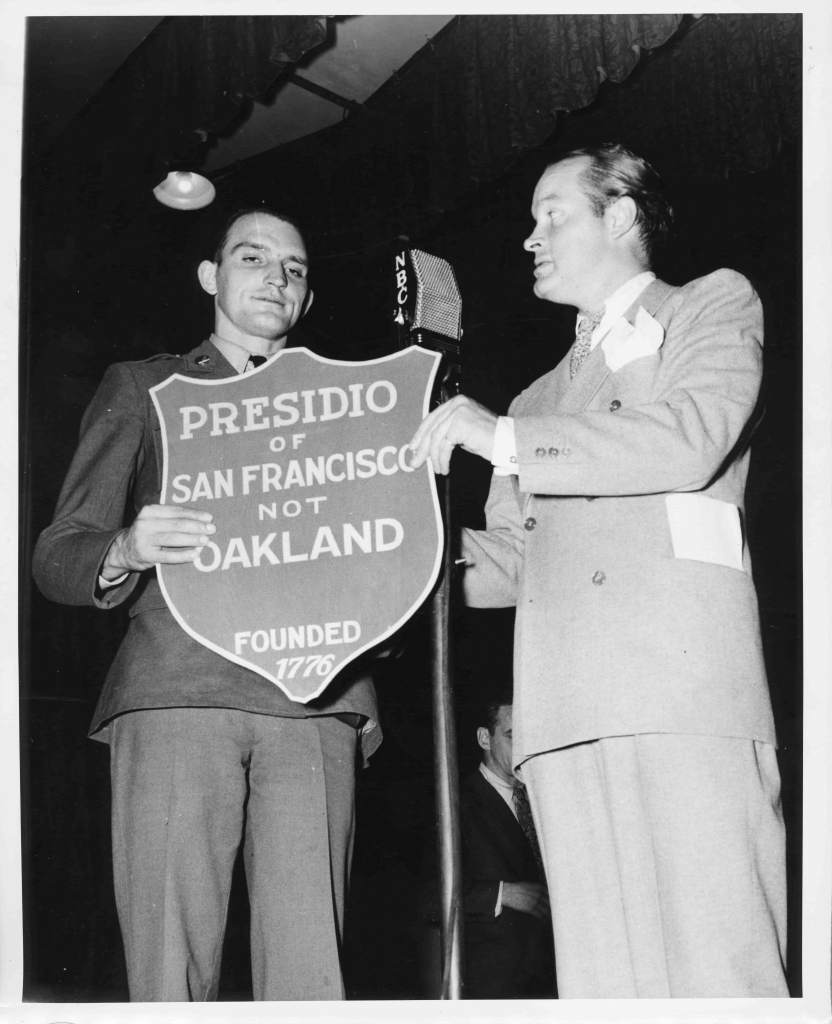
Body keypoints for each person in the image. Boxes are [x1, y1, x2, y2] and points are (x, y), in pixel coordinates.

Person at [409, 143, 788, 998]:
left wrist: (500, 441)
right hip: (563, 716)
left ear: (620, 217)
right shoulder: (536, 401)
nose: (530, 238)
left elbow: (690, 436)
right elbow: (508, 563)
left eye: (553, 215)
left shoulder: (709, 305)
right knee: (603, 986)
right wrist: (399, 561)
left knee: (718, 962)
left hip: (679, 696)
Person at [32, 207, 380, 1002]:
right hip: (176, 690)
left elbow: (393, 562)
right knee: (168, 969)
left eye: (293, 268)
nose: (275, 278)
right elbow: (58, 554)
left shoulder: (350, 408)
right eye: (253, 258)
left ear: (309, 297)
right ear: (210, 277)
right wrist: (125, 547)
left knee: (311, 979)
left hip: (316, 699)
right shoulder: (145, 386)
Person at [459, 696, 555, 999]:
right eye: (513, 736)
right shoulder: (455, 803)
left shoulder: (548, 797)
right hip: (495, 987)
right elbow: (424, 895)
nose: (524, 750)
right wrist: (504, 893)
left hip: (554, 978)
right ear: (484, 738)